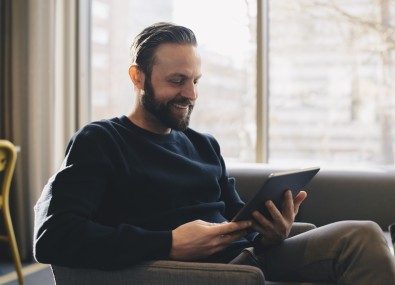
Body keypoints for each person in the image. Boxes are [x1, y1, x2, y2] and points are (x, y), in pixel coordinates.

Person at [33, 22, 395, 284]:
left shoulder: (203, 144)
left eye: (195, 81)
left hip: (250, 256)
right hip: (192, 273)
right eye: (176, 80)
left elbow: (237, 220)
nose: (190, 94)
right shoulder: (101, 141)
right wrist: (170, 243)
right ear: (138, 77)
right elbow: (54, 238)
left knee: (362, 235)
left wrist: (270, 232)